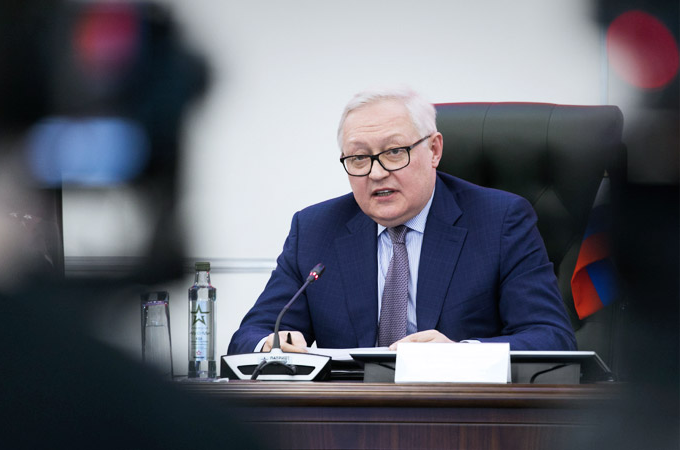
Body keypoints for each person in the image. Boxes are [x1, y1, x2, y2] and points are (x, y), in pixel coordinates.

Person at [227, 86, 576, 355]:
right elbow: (250, 336)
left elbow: (551, 337)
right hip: (347, 416)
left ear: (434, 150)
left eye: (394, 152)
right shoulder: (315, 229)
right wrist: (271, 345)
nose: (376, 173)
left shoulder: (500, 221)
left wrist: (460, 355)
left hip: (461, 413)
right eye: (359, 158)